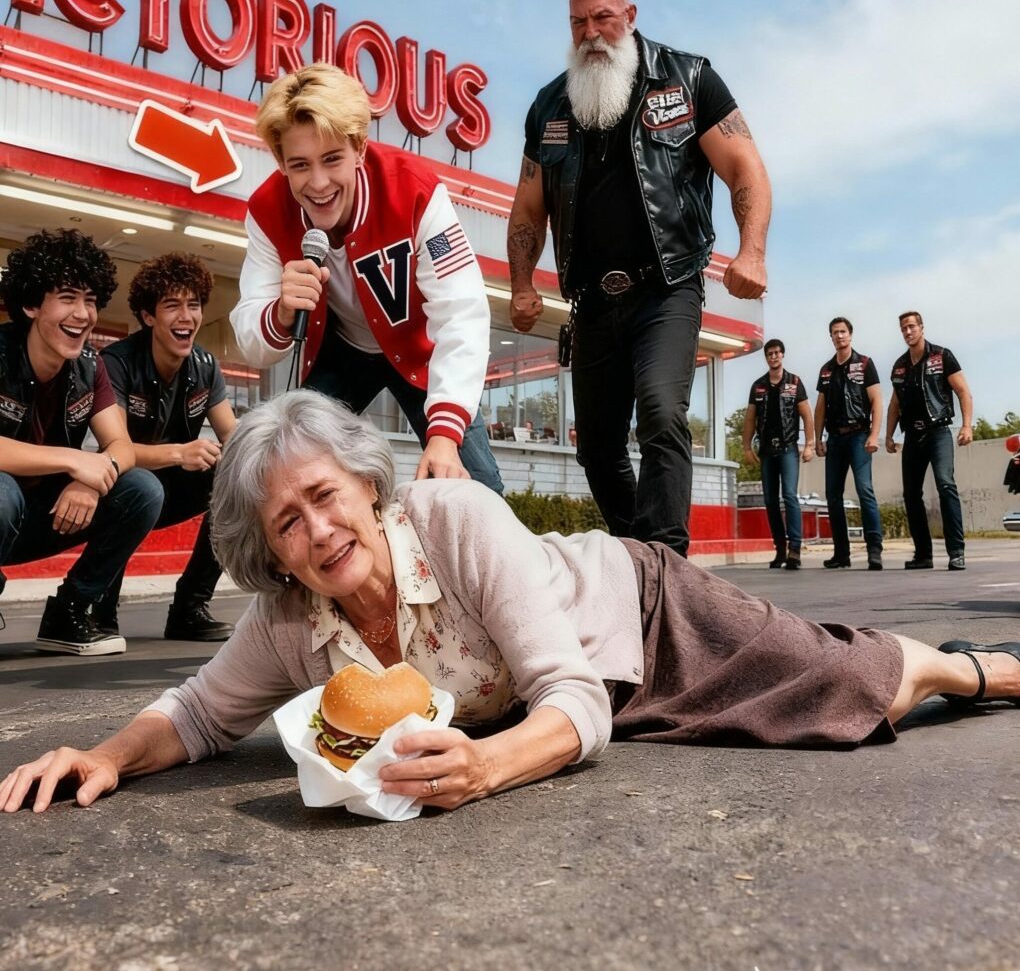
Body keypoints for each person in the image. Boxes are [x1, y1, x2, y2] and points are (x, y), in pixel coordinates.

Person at [5, 389, 1019, 816]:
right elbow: (191, 713)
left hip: (641, 612)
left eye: (326, 499)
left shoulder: (455, 519)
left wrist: (484, 767)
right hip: (592, 702)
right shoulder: (289, 622)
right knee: (799, 722)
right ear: (269, 552)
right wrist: (103, 756)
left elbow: (572, 697)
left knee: (851, 691)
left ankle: (966, 667)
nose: (316, 532)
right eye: (286, 525)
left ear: (368, 486)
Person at [507, 0, 771, 556]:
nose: (591, 34)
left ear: (630, 16)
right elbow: (528, 210)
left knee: (659, 410)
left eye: (603, 18)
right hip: (593, 303)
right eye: (578, 23)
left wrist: (751, 250)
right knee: (596, 448)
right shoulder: (549, 106)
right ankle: (638, 558)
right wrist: (523, 284)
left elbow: (745, 169)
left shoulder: (689, 80)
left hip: (667, 288)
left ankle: (668, 560)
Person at [231, 63, 503, 495]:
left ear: (359, 147)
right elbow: (252, 343)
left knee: (477, 486)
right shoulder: (265, 210)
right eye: (299, 165)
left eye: (332, 159)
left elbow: (462, 314)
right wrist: (281, 312)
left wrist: (445, 437)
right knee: (280, 477)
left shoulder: (416, 191)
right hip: (341, 353)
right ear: (280, 162)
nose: (318, 183)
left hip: (422, 354)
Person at [0, 230, 163, 656]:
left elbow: (121, 446)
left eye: (90, 299)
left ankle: (69, 612)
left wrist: (90, 480)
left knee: (142, 488)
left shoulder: (90, 365)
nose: (83, 313)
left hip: (46, 516)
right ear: (32, 304)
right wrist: (74, 461)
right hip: (4, 509)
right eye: (68, 298)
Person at [97, 254, 237, 640]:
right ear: (148, 316)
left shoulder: (206, 365)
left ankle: (190, 607)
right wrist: (181, 452)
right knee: (138, 484)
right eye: (172, 305)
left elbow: (235, 437)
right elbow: (116, 448)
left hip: (174, 487)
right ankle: (98, 608)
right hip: (120, 487)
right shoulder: (116, 362)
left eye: (193, 305)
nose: (186, 316)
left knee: (235, 481)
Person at [885, 311, 973, 571]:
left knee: (946, 485)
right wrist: (888, 435)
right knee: (911, 494)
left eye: (912, 326)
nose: (908, 331)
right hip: (913, 435)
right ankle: (923, 554)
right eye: (904, 328)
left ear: (921, 328)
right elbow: (894, 404)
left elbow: (963, 392)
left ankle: (956, 551)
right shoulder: (900, 365)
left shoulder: (941, 356)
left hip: (938, 432)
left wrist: (967, 426)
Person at [814, 317, 884, 571]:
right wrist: (817, 438)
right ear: (831, 337)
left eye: (843, 332)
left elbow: (877, 400)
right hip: (834, 438)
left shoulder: (865, 364)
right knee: (833, 496)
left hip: (859, 436)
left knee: (865, 491)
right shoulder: (826, 370)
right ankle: (841, 554)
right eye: (835, 333)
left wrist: (874, 435)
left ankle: (874, 550)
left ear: (850, 335)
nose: (839, 336)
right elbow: (820, 407)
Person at [742, 339, 814, 570]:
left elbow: (806, 414)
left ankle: (795, 549)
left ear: (782, 355)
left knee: (790, 497)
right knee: (771, 501)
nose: (773, 357)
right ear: (766, 357)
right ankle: (780, 550)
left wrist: (810, 443)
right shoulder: (758, 386)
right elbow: (750, 418)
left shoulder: (794, 382)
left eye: (777, 353)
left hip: (788, 449)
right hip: (766, 450)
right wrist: (746, 447)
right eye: (770, 354)